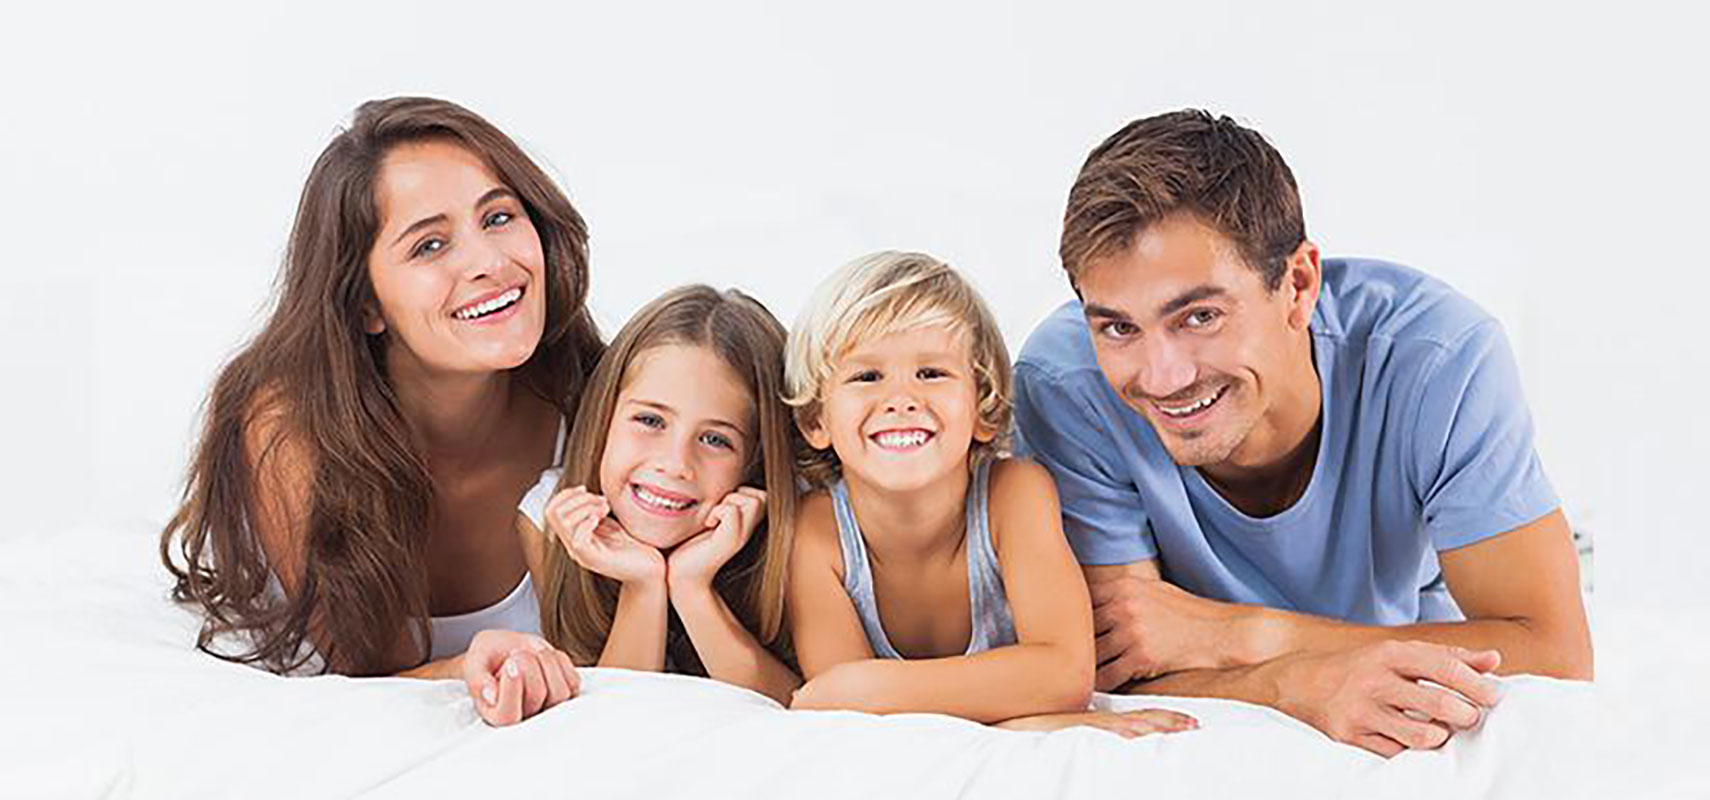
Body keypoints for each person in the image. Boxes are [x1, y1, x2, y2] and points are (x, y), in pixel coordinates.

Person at [1014, 109, 1593, 757]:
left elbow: (1554, 653)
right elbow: (1123, 662)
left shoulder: (1440, 356)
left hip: (1420, 604)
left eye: (1200, 315)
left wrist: (1241, 635)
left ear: (1298, 284)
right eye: (1118, 327)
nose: (1163, 375)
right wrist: (1296, 684)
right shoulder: (1063, 383)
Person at [160, 97, 602, 726]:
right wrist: (463, 669)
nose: (489, 263)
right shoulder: (286, 428)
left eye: (499, 217)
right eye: (430, 246)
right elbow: (362, 671)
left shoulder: (598, 402)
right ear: (366, 304)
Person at [785, 251, 1197, 738]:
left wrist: (874, 687)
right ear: (816, 420)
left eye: (932, 373)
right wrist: (1031, 716)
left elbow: (1064, 674)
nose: (900, 399)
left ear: (982, 407)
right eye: (866, 376)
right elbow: (844, 713)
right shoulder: (816, 531)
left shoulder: (1014, 495)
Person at [526, 285, 802, 705]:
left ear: (755, 463)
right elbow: (609, 716)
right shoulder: (549, 519)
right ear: (604, 417)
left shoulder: (801, 528)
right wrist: (644, 584)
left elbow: (802, 711)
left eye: (714, 439)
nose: (675, 463)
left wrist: (693, 589)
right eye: (651, 420)